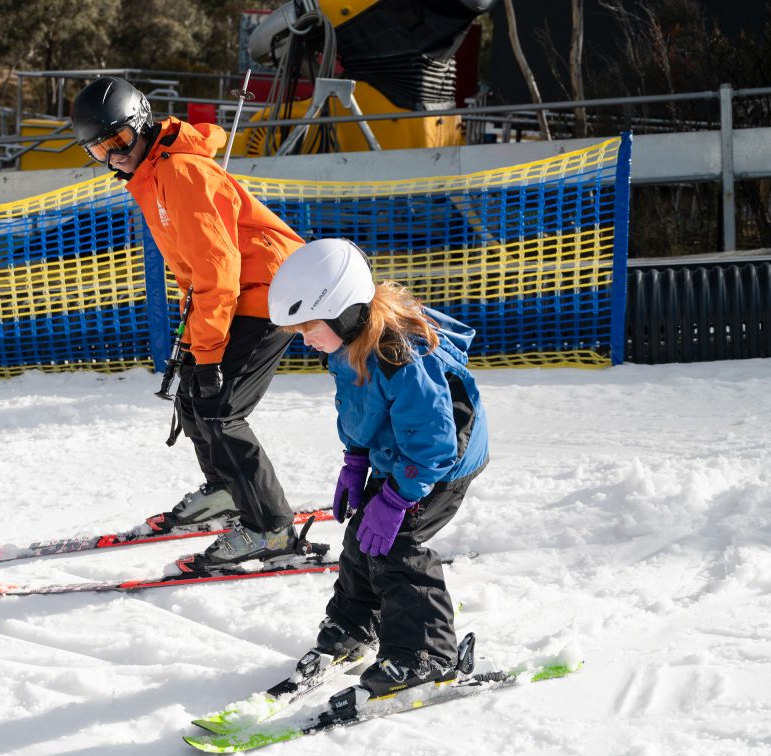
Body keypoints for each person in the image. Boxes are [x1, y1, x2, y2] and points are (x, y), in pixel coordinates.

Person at [70, 76, 309, 570]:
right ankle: (227, 492)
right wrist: (194, 340)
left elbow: (218, 272)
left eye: (117, 141)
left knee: (221, 407)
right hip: (239, 289)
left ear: (142, 125)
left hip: (271, 292)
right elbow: (197, 270)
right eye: (99, 150)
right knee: (191, 397)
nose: (113, 156)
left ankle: (270, 530)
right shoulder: (151, 175)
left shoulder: (180, 173)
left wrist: (207, 352)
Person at [267, 238, 490, 697]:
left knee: (396, 545)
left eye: (307, 326)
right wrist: (355, 459)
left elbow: (432, 441)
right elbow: (362, 411)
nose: (304, 339)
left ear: (343, 311)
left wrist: (395, 498)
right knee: (361, 537)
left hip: (439, 465)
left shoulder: (399, 356)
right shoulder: (347, 348)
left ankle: (426, 654)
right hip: (401, 457)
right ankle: (354, 626)